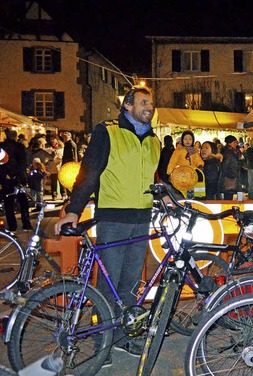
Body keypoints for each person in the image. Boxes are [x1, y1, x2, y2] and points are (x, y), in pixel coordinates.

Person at [54, 86, 161, 358]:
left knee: (130, 284)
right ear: (128, 106)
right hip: (113, 218)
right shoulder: (108, 131)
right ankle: (103, 345)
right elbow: (89, 173)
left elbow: (152, 178)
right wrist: (73, 210)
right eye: (144, 102)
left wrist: (167, 197)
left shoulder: (153, 140)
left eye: (152, 103)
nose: (150, 106)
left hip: (141, 220)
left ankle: (123, 337)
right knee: (108, 285)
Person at [0, 129, 33, 231]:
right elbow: (23, 162)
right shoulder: (20, 147)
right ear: (15, 136)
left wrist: (5, 174)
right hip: (19, 177)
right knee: (23, 201)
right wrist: (17, 174)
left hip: (6, 178)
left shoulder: (1, 147)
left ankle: (12, 225)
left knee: (8, 203)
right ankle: (26, 223)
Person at [219, 135, 242, 200]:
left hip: (233, 179)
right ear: (229, 143)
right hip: (229, 180)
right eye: (234, 142)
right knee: (228, 198)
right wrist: (232, 175)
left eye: (236, 142)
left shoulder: (234, 152)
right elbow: (224, 167)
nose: (236, 144)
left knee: (231, 198)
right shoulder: (228, 154)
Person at [60, 131, 77, 199]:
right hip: (69, 165)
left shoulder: (70, 144)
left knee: (69, 181)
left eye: (65, 137)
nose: (64, 138)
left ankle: (70, 196)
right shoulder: (68, 143)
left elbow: (72, 156)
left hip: (69, 166)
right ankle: (70, 196)